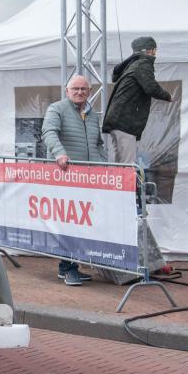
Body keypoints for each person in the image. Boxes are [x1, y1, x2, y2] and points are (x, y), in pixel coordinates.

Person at [41, 75, 106, 286]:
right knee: (70, 223)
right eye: (75, 88)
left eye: (83, 89)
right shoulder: (57, 109)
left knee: (83, 223)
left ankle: (70, 267)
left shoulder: (93, 115)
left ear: (89, 91)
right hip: (67, 176)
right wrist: (60, 153)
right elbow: (48, 132)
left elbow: (98, 144)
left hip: (90, 178)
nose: (79, 92)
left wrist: (104, 166)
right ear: (67, 91)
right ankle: (68, 268)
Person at [102, 36, 172, 165]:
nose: (154, 54)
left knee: (121, 162)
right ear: (149, 51)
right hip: (125, 122)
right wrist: (167, 96)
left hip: (118, 120)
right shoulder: (143, 64)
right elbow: (151, 86)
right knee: (127, 164)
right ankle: (126, 186)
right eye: (154, 50)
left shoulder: (131, 65)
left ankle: (120, 184)